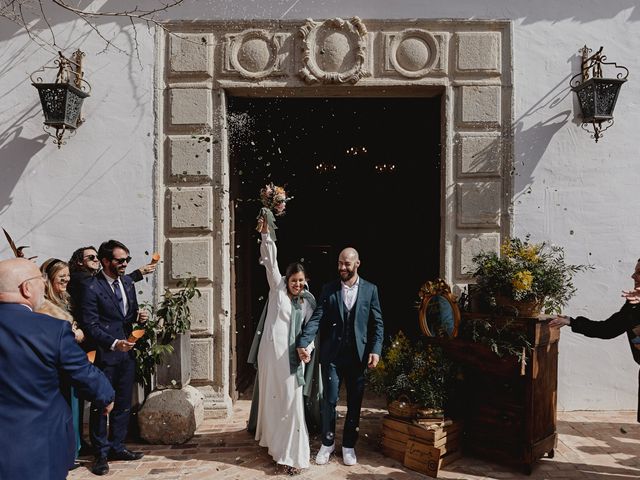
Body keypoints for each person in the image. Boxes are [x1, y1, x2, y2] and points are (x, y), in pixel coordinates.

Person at [0, 258, 114, 480]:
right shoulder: (51, 329)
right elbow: (83, 373)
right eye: (40, 280)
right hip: (39, 446)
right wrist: (106, 395)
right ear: (26, 288)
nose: (44, 284)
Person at [296, 246, 384, 466]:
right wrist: (304, 341)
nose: (342, 267)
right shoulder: (329, 289)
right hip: (332, 356)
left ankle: (348, 446)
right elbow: (316, 318)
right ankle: (327, 444)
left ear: (357, 263)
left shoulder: (370, 290)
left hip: (358, 356)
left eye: (346, 263)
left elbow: (377, 324)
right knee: (330, 400)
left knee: (355, 402)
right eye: (339, 263)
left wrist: (375, 349)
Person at [246, 216, 320, 473]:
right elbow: (270, 260)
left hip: (290, 359)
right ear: (286, 280)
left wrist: (307, 351)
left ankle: (294, 456)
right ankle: (275, 447)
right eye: (293, 280)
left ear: (306, 280)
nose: (297, 284)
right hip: (271, 357)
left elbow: (310, 332)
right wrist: (266, 234)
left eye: (301, 281)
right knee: (274, 401)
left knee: (292, 403)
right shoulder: (277, 288)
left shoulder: (308, 302)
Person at [78, 240, 148, 476]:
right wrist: (113, 343)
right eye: (120, 260)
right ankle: (101, 454)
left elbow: (126, 317)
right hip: (105, 354)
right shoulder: (92, 287)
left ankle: (118, 446)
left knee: (123, 402)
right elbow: (90, 324)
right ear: (106, 261)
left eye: (127, 259)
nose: (125, 264)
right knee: (102, 404)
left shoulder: (127, 282)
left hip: (127, 353)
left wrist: (140, 317)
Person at [549, 258, 640, 421]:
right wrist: (571, 321)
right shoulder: (633, 306)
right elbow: (607, 329)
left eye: (639, 272)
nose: (633, 276)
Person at [36, 258, 85, 469]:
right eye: (61, 277)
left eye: (67, 276)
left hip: (71, 363)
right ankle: (63, 454)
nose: (66, 280)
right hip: (55, 367)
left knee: (73, 409)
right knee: (60, 412)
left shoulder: (65, 299)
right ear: (48, 279)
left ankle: (73, 450)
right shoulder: (43, 305)